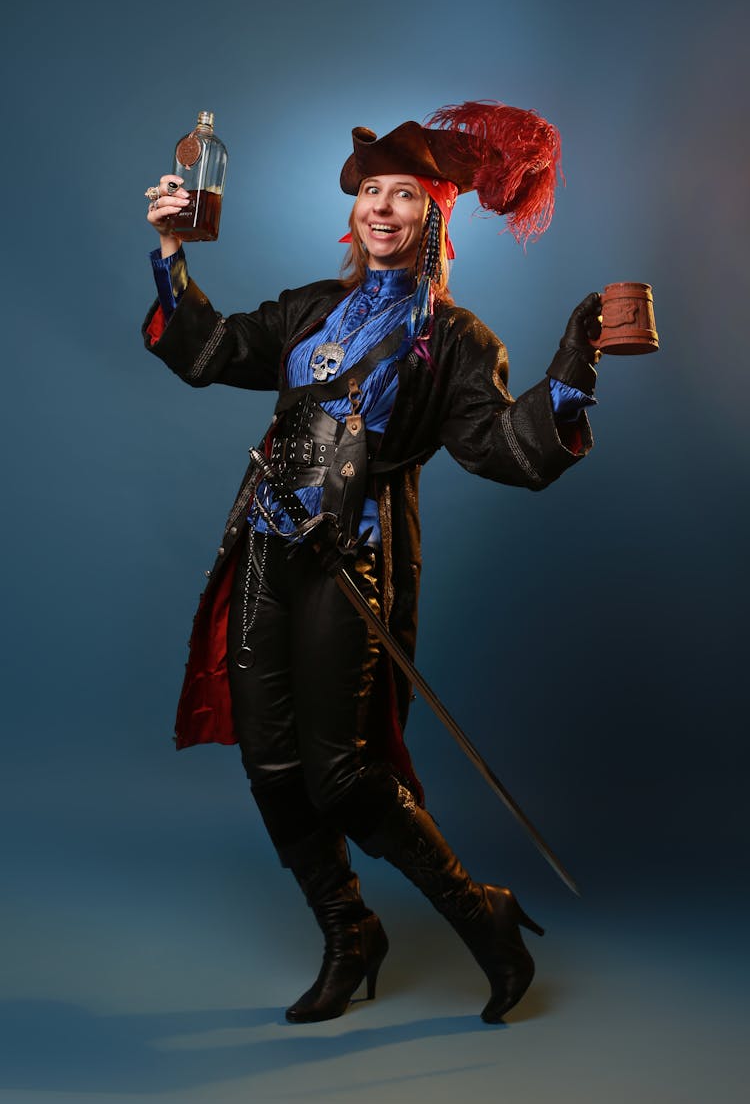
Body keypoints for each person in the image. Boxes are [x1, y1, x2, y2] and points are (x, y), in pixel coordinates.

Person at [142, 99, 602, 1026]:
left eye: (404, 195)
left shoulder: (461, 342)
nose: (382, 209)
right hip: (269, 547)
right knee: (272, 766)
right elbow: (214, 349)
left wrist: (570, 374)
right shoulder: (310, 307)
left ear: (433, 216)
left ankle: (485, 918)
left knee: (340, 773)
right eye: (371, 194)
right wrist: (168, 253)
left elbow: (501, 448)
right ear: (354, 211)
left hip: (354, 563)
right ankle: (350, 932)